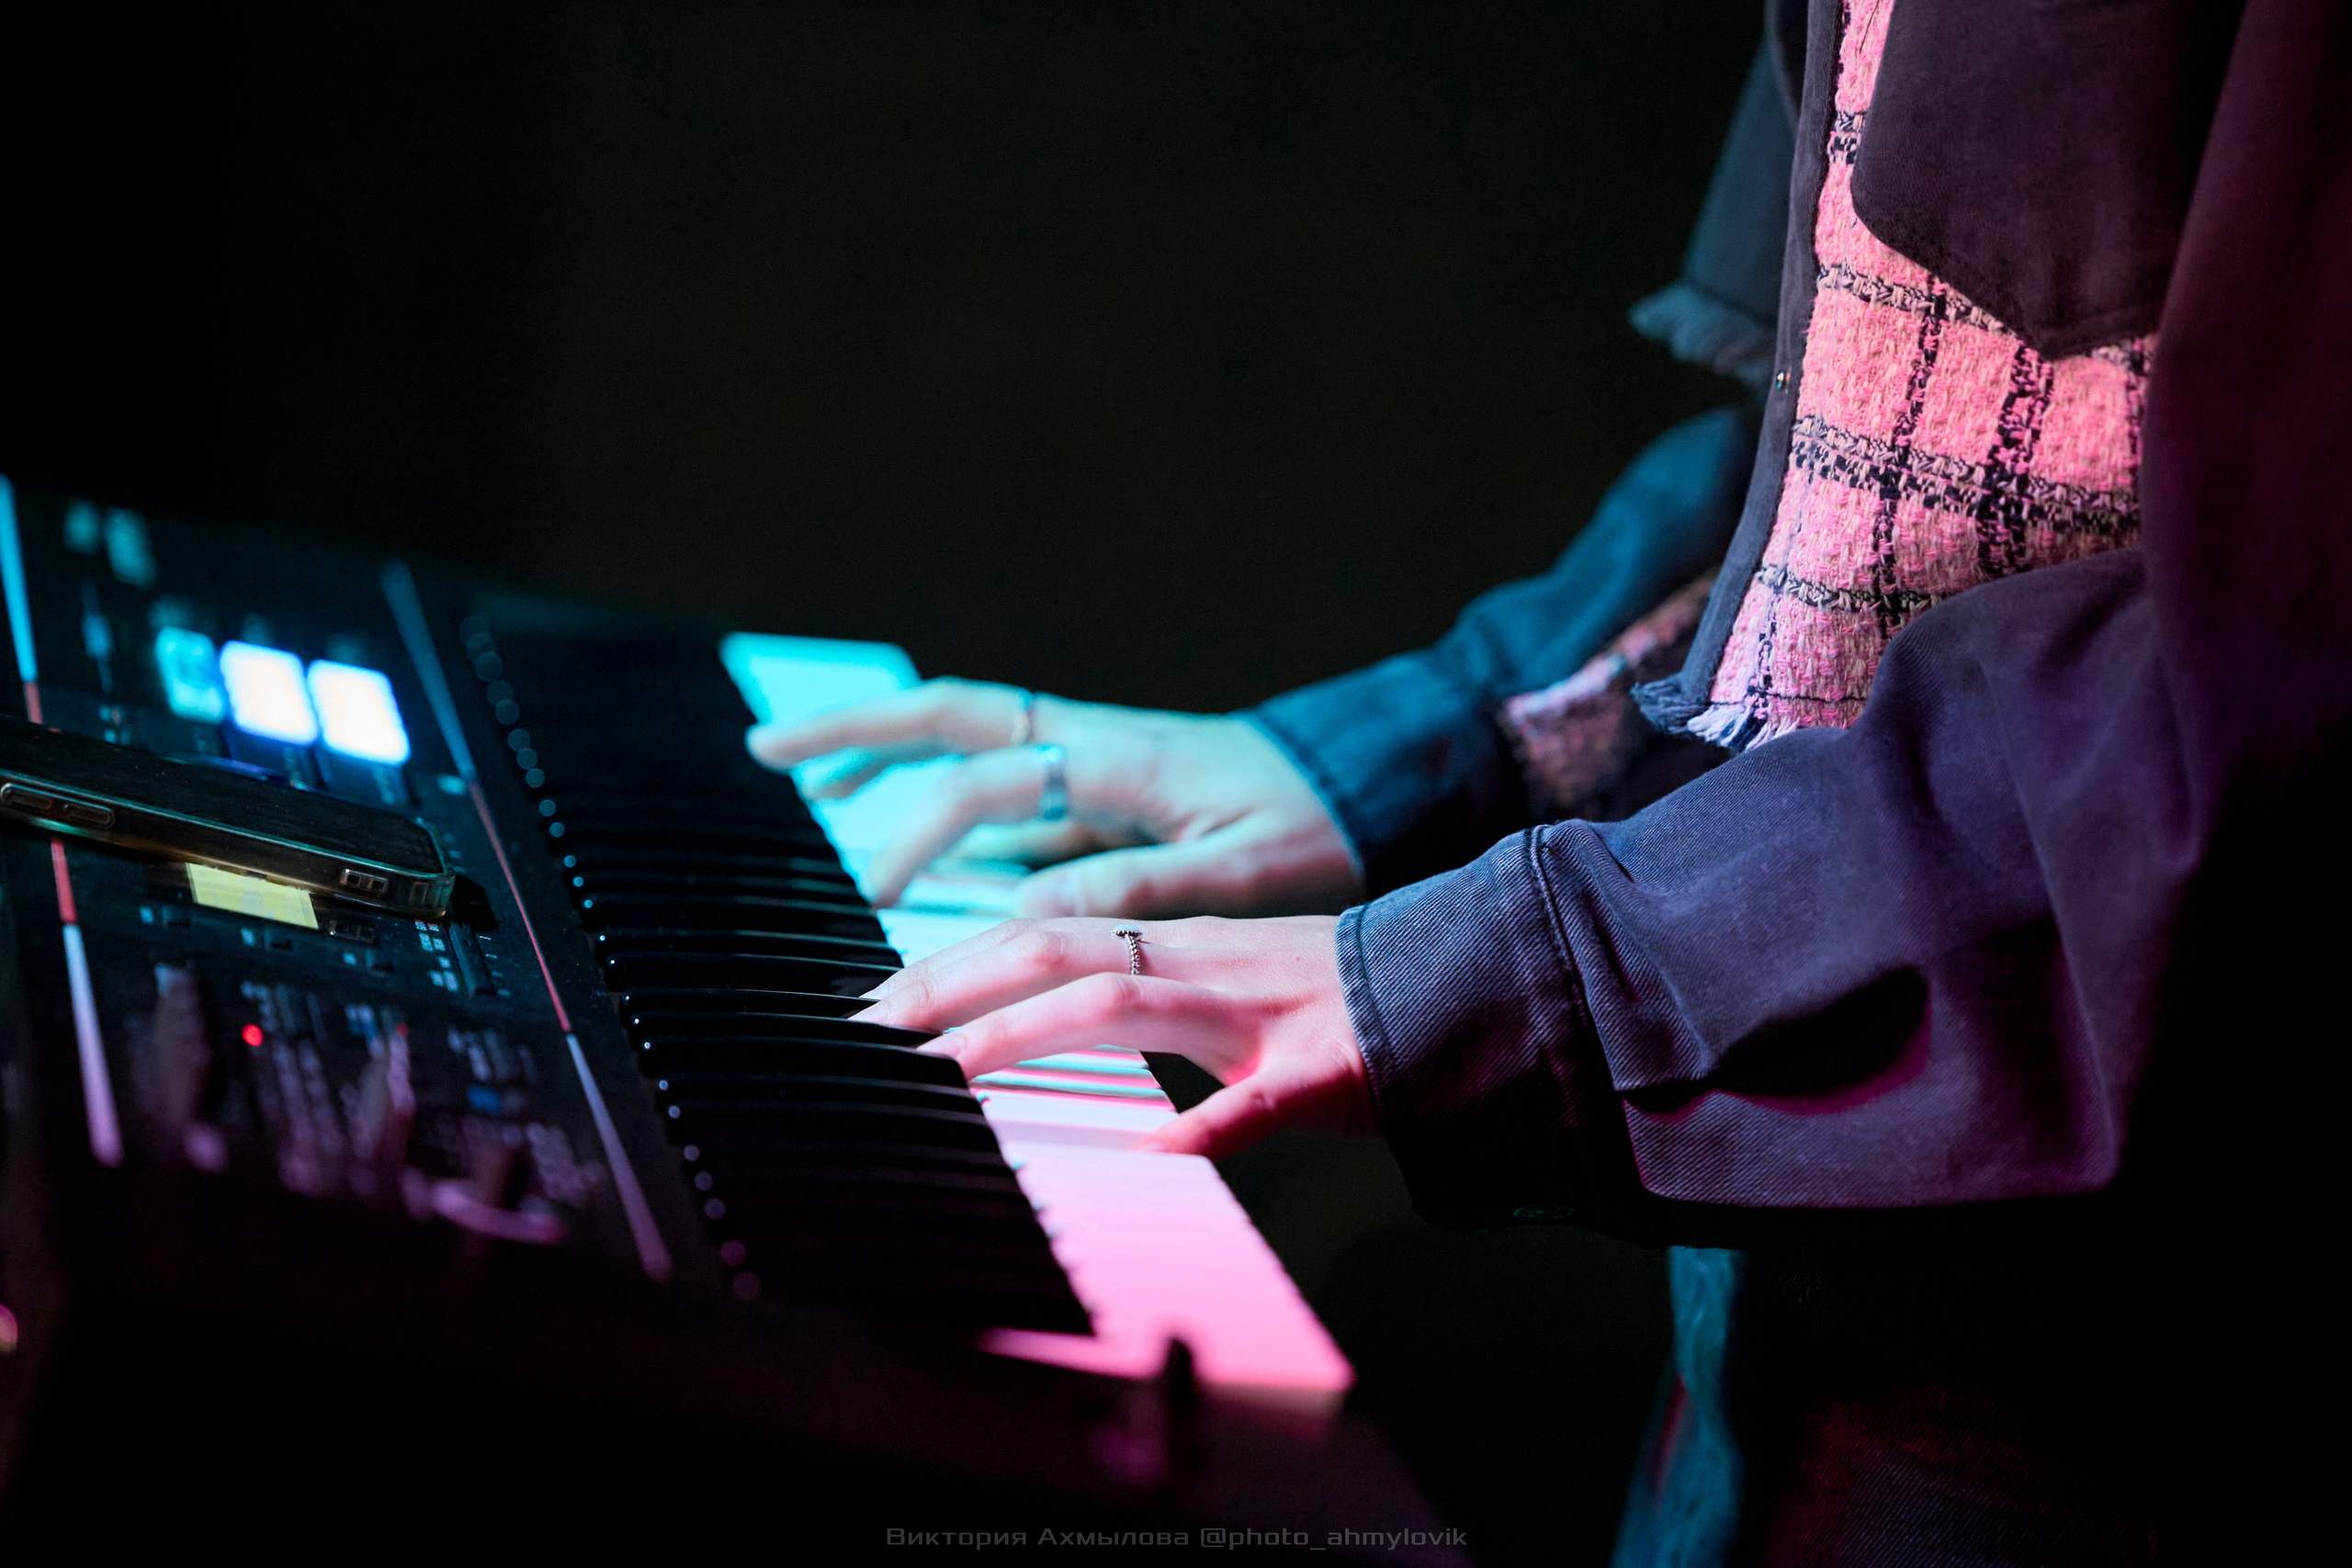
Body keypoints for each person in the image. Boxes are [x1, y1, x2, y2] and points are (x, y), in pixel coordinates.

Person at [752, 2, 2346, 1561]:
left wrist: (1499, 971)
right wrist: (1415, 746)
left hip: (2115, 1368)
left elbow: (2272, 683)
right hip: (1792, 1288)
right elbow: (1859, 457)